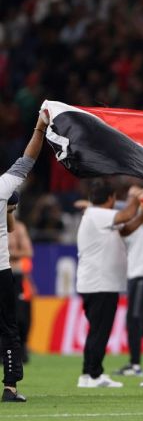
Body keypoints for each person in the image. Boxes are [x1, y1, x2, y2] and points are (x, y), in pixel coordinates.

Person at [76, 180, 143, 388]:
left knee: (96, 331)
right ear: (110, 198)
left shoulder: (98, 217)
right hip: (100, 284)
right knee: (100, 332)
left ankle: (87, 375)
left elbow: (126, 228)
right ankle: (95, 375)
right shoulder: (97, 214)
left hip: (98, 283)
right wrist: (137, 196)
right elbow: (127, 215)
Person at [0, 111, 48, 402]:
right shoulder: (3, 187)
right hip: (1, 270)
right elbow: (28, 159)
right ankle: (10, 388)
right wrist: (40, 128)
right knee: (8, 328)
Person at [114, 216, 143, 377]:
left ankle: (135, 365)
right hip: (134, 274)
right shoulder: (127, 222)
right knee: (136, 322)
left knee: (135, 319)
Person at [7, 196, 35, 364]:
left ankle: (21, 348)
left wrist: (8, 253)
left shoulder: (18, 228)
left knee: (21, 316)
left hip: (16, 275)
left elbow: (28, 252)